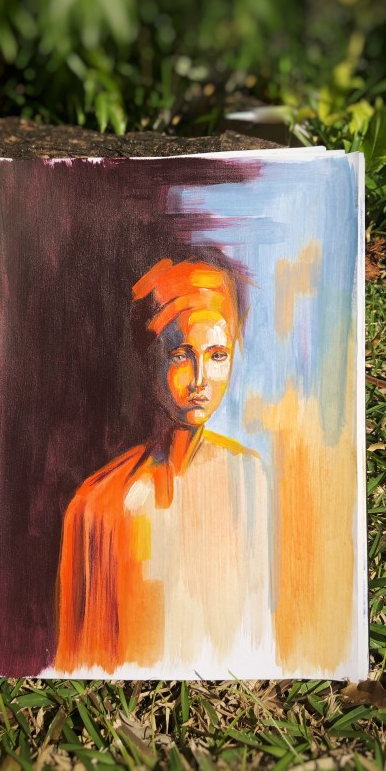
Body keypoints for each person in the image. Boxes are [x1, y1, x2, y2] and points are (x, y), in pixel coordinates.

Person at [55, 256, 271, 675]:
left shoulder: (251, 478)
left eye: (218, 355)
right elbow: (77, 663)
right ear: (148, 357)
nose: (200, 379)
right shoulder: (97, 506)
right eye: (181, 355)